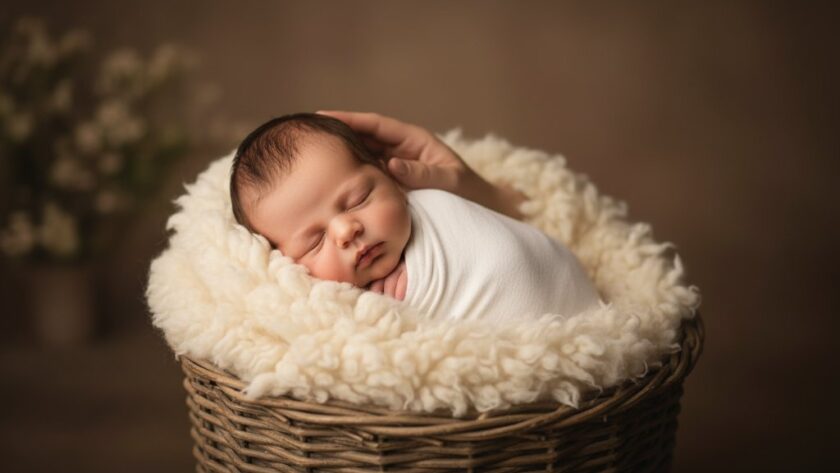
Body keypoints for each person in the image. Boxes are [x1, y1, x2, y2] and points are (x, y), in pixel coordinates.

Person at [230, 112, 601, 320]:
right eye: (314, 241)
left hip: (579, 299)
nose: (346, 230)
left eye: (358, 198)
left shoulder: (431, 197)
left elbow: (527, 219)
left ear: (389, 174)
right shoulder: (349, 311)